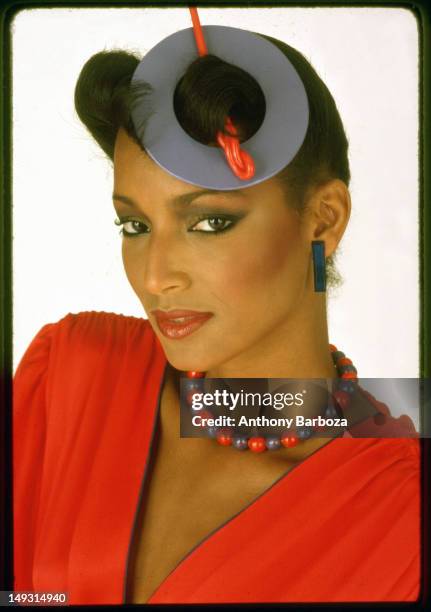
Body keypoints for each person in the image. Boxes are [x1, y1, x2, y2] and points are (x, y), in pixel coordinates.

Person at [13, 10, 420, 605]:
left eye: (209, 222)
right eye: (134, 224)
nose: (155, 276)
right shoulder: (74, 374)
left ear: (322, 219)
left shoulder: (401, 520)